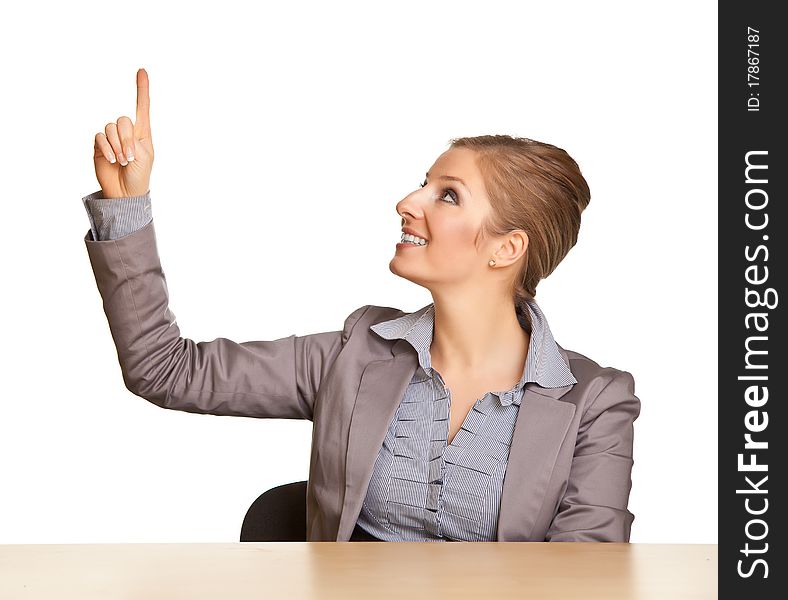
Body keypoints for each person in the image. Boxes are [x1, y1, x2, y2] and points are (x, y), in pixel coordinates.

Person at [83, 68, 641, 543]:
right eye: (423, 184)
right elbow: (166, 370)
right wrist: (126, 206)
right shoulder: (356, 354)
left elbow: (583, 579)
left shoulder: (594, 403)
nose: (407, 202)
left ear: (506, 248)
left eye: (447, 195)